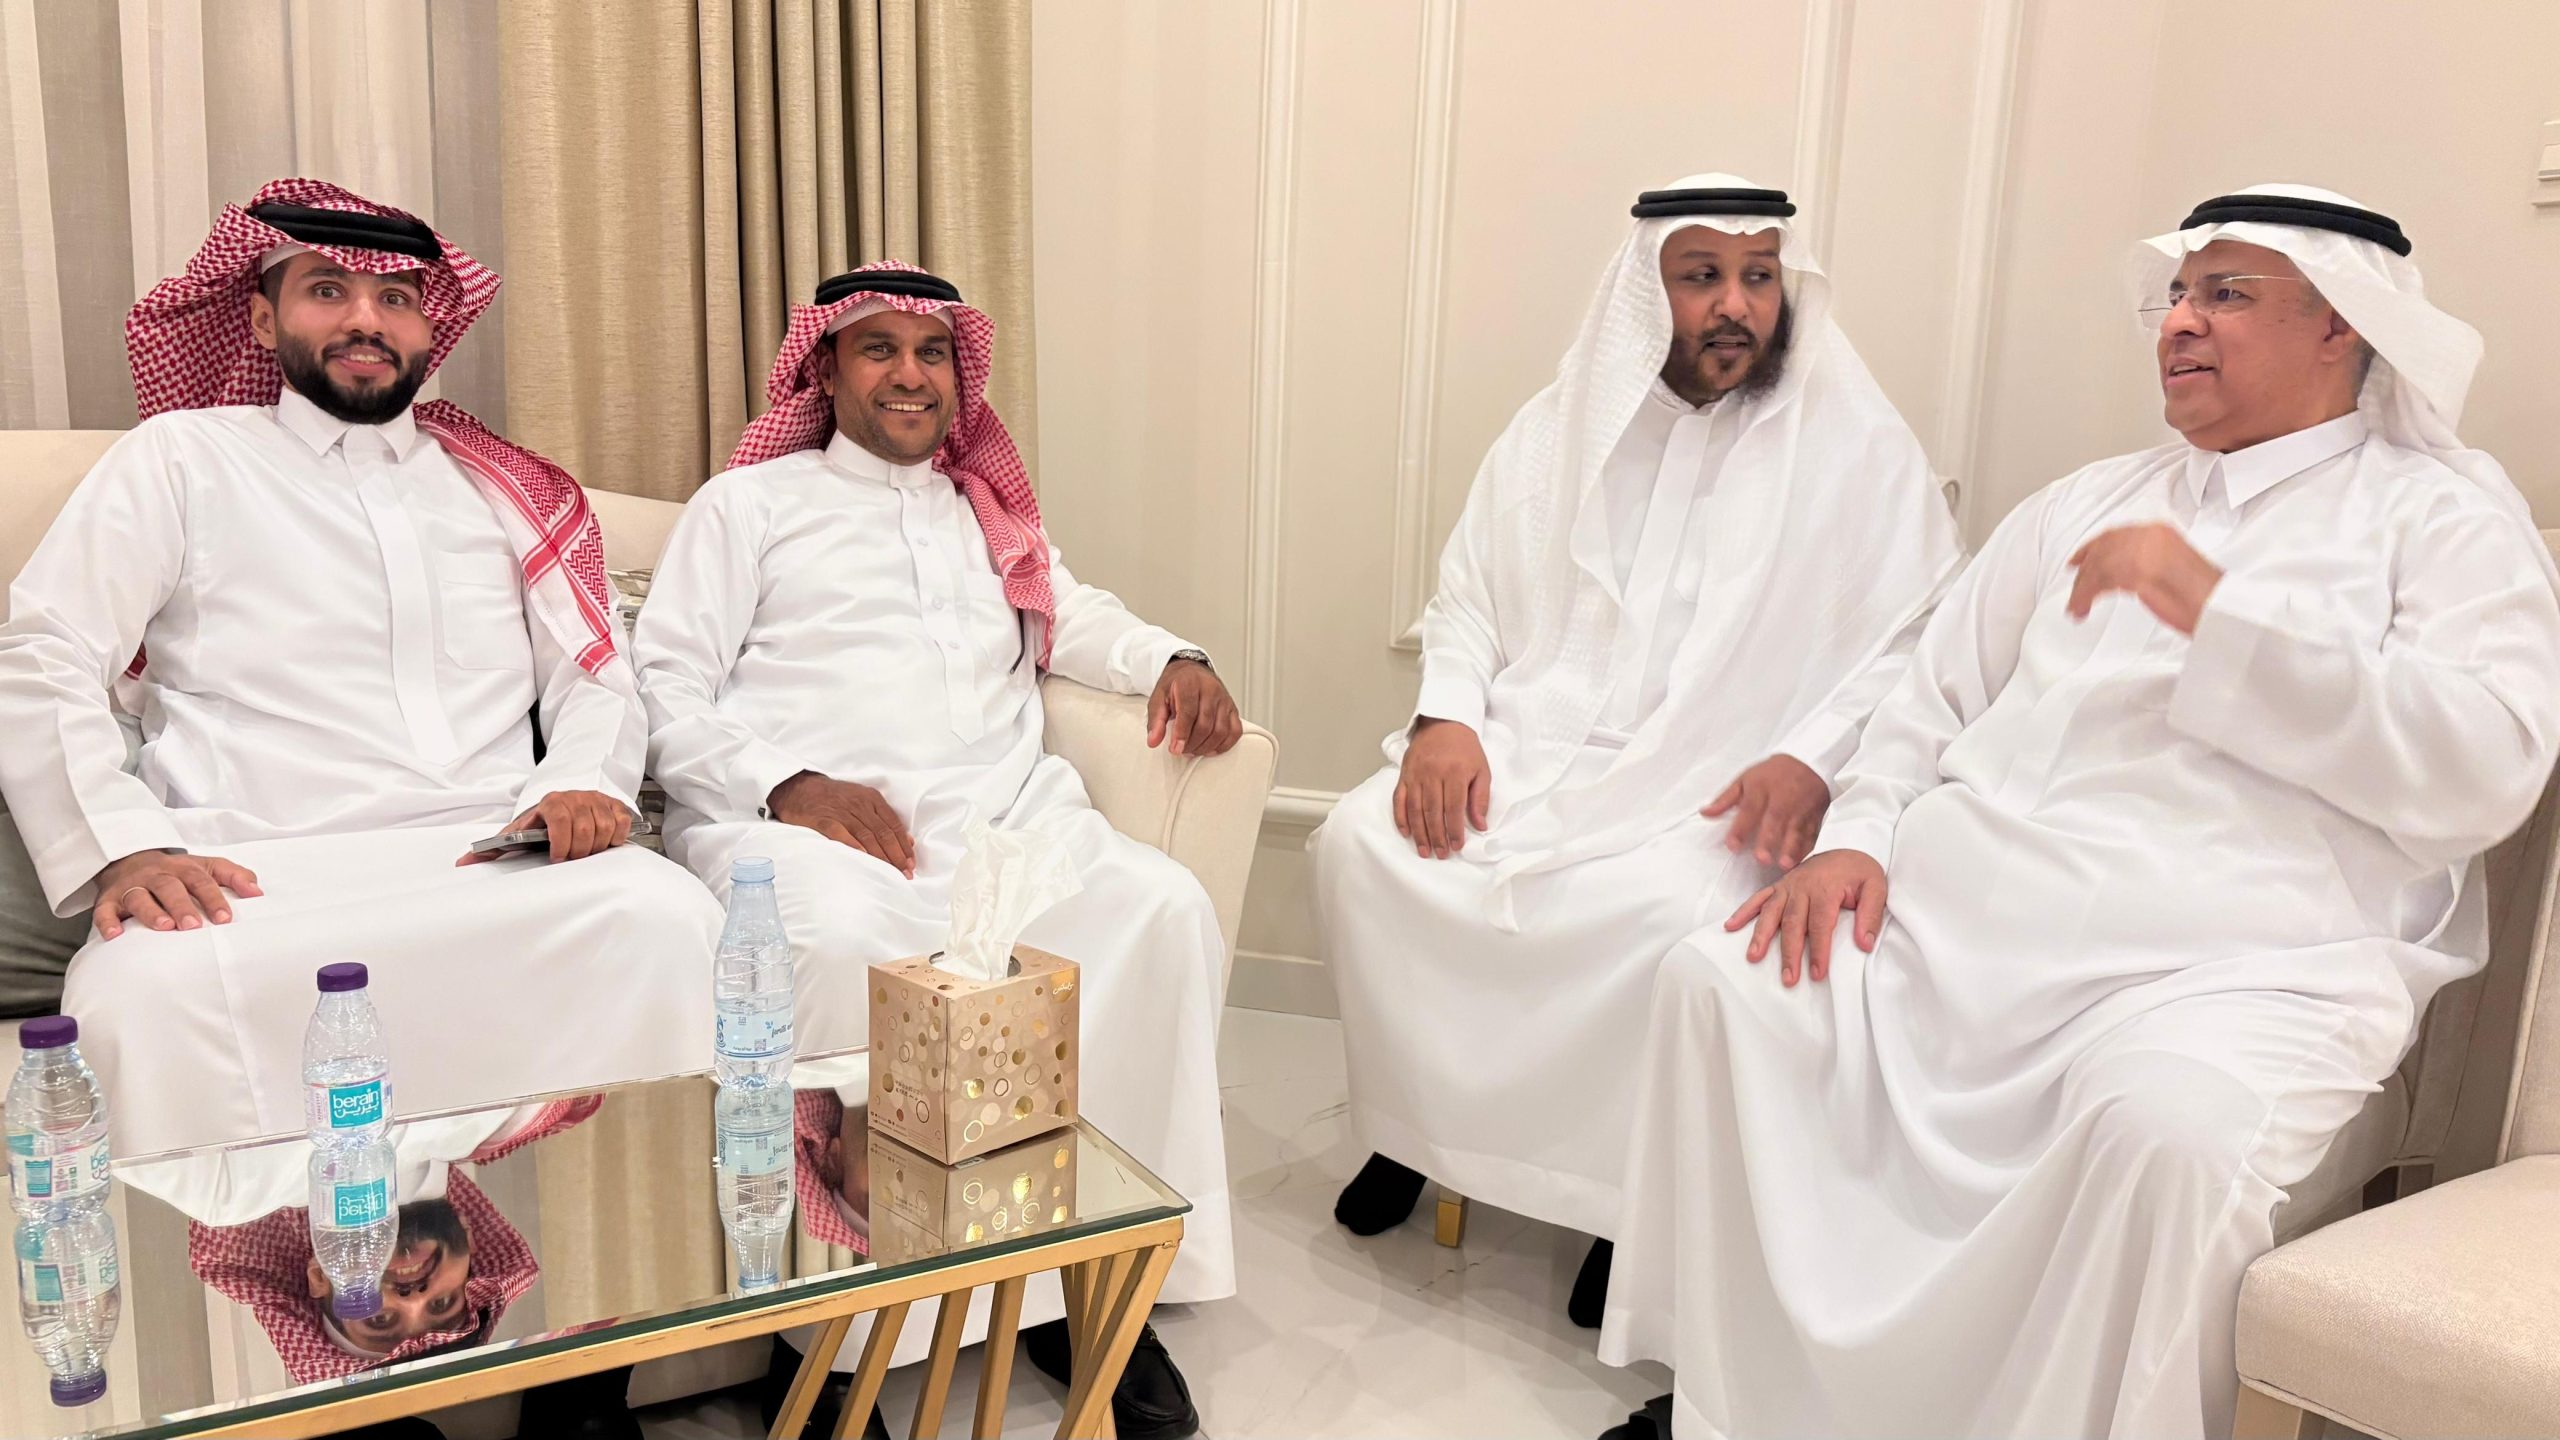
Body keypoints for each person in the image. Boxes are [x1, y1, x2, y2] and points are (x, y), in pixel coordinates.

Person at [1594, 185, 2560, 1439]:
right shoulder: (2085, 500)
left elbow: (2489, 765)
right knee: (1725, 986)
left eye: (2226, 295)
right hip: (1955, 930)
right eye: (2178, 294)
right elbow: (1928, 697)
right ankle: (1734, 1402)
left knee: (2168, 1134)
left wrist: (2217, 614)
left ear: (2340, 323)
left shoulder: (2443, 515)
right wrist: (1857, 838)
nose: (2180, 322)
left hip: (2230, 974)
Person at [1308, 173, 1962, 1318]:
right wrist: (1448, 715)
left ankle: (1624, 1205)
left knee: (1663, 918)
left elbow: (1917, 638)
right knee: (1361, 845)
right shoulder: (1557, 430)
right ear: (1644, 294)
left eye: (1758, 277)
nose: (1735, 305)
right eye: (1702, 276)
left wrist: (1812, 758)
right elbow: (1468, 593)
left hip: (1719, 777)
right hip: (1541, 743)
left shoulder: (1858, 448)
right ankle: (1417, 1130)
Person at [633, 262, 1235, 1440]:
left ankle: (1097, 1289)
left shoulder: (983, 511)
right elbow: (663, 684)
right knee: (842, 946)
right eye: (879, 350)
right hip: (803, 833)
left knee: (1159, 911)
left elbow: (1075, 615)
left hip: (1002, 821)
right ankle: (844, 1336)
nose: (910, 375)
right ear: (823, 369)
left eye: (932, 352)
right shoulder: (746, 507)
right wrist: (791, 786)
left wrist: (1174, 657)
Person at [0, 181, 721, 1158]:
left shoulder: (500, 486)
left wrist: (583, 783)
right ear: (263, 319)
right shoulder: (181, 457)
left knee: (666, 917)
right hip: (256, 874)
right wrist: (124, 849)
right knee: (140, 992)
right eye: (327, 290)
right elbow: (45, 650)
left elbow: (593, 670)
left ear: (431, 326)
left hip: (490, 863)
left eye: (395, 298)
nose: (366, 320)